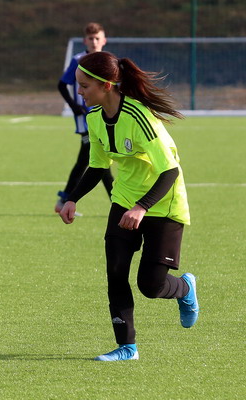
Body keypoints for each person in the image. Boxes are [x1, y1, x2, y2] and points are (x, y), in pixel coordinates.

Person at [59, 51, 199, 361]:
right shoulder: (94, 118)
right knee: (116, 272)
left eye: (84, 86)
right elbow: (98, 166)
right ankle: (127, 347)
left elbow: (170, 171)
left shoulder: (140, 117)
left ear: (106, 86)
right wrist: (72, 198)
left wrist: (142, 207)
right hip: (124, 200)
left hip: (163, 204)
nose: (79, 92)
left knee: (151, 285)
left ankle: (185, 288)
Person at [55, 22, 114, 214]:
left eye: (97, 38)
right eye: (91, 38)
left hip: (103, 117)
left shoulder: (107, 61)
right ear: (85, 41)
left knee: (90, 162)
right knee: (99, 163)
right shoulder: (78, 60)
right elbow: (62, 84)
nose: (94, 41)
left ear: (104, 40)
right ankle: (117, 204)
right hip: (86, 120)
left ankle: (64, 200)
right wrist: (74, 106)